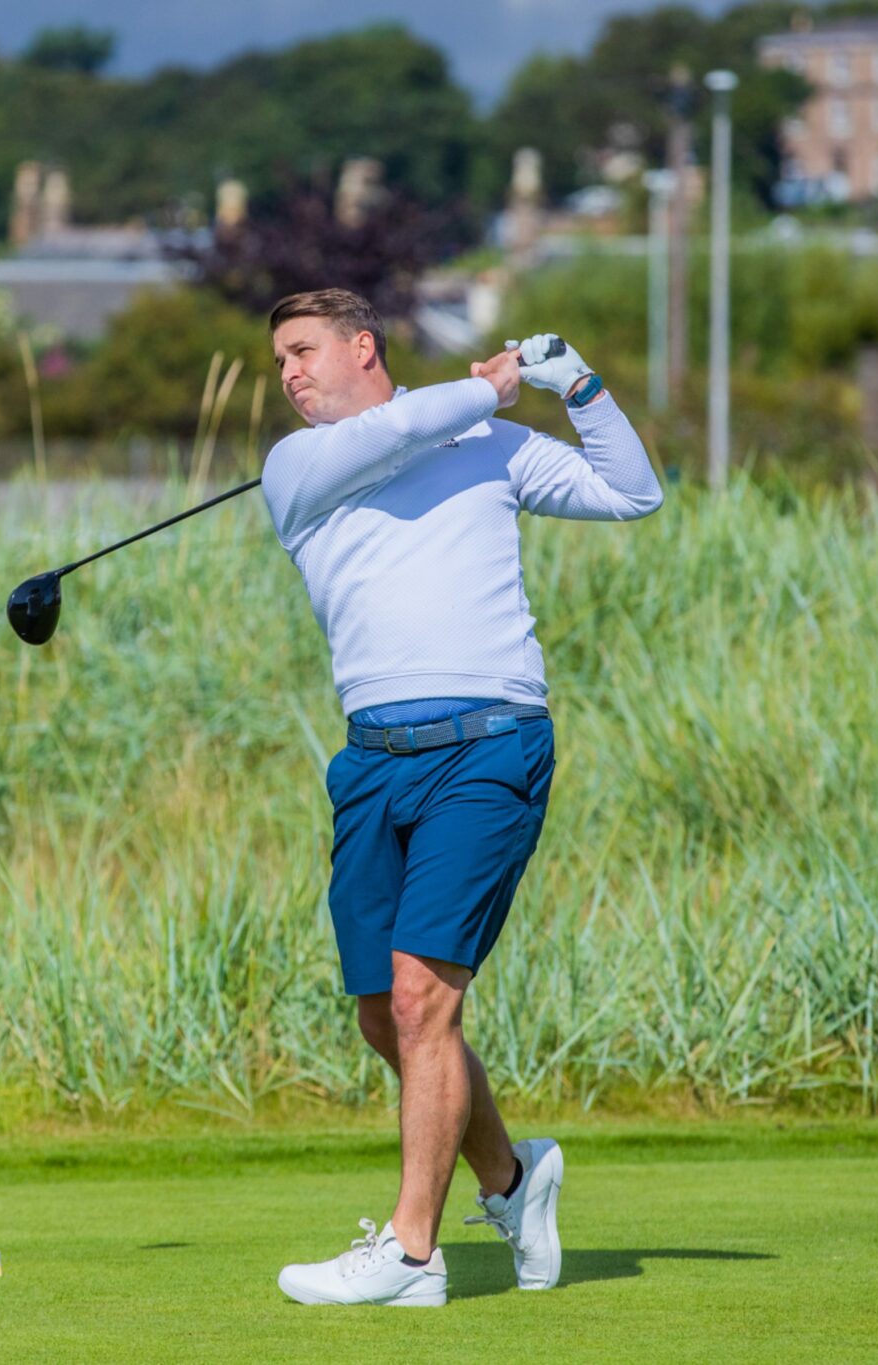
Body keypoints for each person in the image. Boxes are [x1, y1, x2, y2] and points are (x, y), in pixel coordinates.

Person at [260, 289, 663, 1307]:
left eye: (303, 350)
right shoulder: (298, 465)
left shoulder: (489, 444)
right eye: (278, 361)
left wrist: (574, 387)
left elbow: (631, 494)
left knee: (420, 1002)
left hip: (488, 748)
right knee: (378, 1017)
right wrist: (477, 386)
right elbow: (402, 425)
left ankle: (409, 1255)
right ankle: (512, 1182)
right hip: (369, 762)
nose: (289, 373)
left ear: (362, 346)